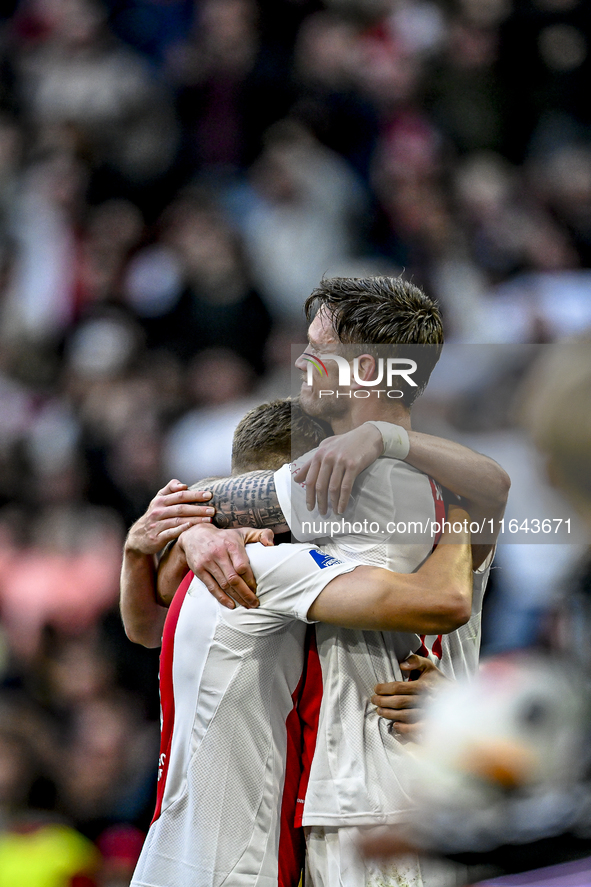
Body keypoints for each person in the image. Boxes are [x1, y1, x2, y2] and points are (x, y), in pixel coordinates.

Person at [154, 277, 509, 887]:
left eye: (315, 346)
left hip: (377, 800)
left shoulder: (344, 480)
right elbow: (496, 490)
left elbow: (186, 513)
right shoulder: (449, 487)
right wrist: (196, 534)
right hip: (393, 790)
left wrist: (190, 528)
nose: (300, 360)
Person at [127, 397, 474, 887]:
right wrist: (464, 516)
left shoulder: (210, 563)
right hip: (237, 867)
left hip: (176, 854)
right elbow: (444, 601)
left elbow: (144, 627)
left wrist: (155, 544)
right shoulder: (265, 564)